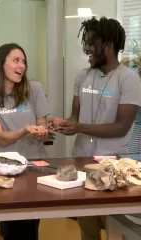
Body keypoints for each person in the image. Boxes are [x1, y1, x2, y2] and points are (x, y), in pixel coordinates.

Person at [48, 17, 141, 240]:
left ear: (108, 45)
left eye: (91, 43)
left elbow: (121, 127)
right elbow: (75, 116)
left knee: (118, 227)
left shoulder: (129, 79)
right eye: (85, 42)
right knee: (87, 227)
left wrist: (79, 127)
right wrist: (65, 124)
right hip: (82, 161)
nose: (86, 48)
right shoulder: (83, 76)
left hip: (115, 166)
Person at [0, 43, 50, 240]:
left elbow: (42, 125)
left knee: (30, 225)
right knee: (13, 226)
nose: (22, 66)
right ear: (1, 65)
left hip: (34, 165)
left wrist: (43, 131)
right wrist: (25, 130)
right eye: (16, 61)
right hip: (5, 169)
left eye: (24, 61)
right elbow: (0, 137)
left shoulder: (34, 89)